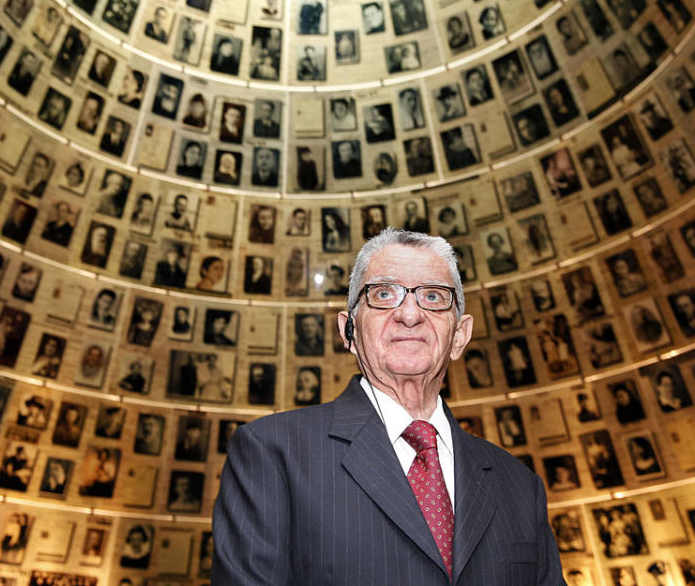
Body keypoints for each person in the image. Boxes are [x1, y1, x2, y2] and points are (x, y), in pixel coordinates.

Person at [212, 228, 564, 584]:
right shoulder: (272, 453)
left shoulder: (521, 486)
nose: (409, 314)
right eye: (383, 294)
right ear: (348, 330)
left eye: (433, 295)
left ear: (459, 336)